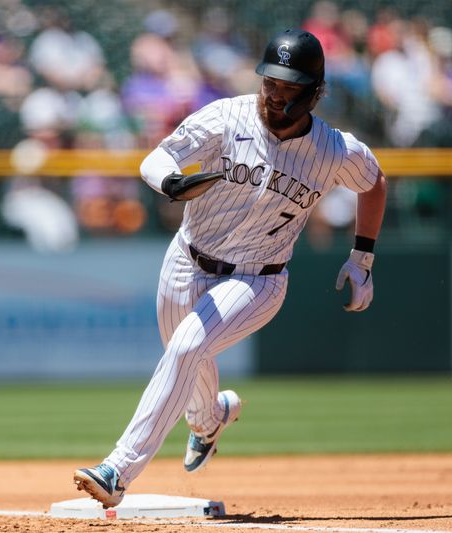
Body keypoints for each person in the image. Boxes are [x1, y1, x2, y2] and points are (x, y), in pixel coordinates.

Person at [73, 29, 387, 508]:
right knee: (187, 361)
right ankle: (212, 418)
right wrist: (170, 182)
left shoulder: (333, 150)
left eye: (289, 88)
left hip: (257, 279)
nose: (276, 94)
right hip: (187, 259)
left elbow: (374, 182)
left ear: (315, 92)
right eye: (271, 83)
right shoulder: (227, 116)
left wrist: (362, 257)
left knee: (187, 347)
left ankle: (117, 469)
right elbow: (155, 159)